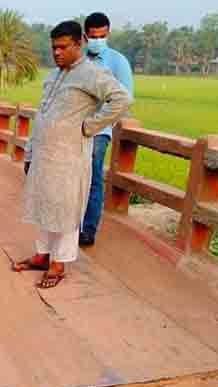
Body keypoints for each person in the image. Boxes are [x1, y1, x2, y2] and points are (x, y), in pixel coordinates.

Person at [12, 21, 131, 289]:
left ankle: (59, 263)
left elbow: (122, 99)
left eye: (63, 47)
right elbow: (42, 114)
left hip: (69, 157)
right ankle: (42, 255)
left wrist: (90, 127)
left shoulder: (91, 73)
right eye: (54, 47)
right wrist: (30, 152)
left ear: (80, 44)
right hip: (44, 155)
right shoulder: (54, 75)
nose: (57, 52)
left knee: (65, 209)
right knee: (45, 205)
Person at [79, 12, 134, 247]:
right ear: (85, 35)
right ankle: (71, 225)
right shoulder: (78, 58)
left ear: (108, 34)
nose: (98, 40)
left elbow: (125, 98)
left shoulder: (117, 61)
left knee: (93, 179)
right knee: (72, 178)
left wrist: (98, 123)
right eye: (93, 36)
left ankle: (88, 229)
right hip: (74, 128)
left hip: (98, 131)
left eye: (102, 36)